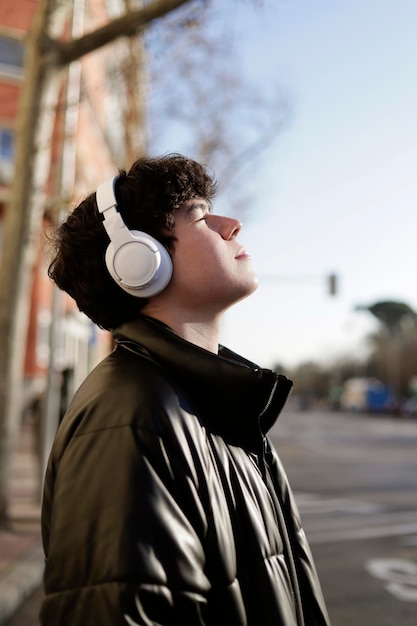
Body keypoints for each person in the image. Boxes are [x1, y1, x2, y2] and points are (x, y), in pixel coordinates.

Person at [40, 154, 330, 626]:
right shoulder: (130, 421)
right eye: (198, 215)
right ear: (137, 260)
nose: (232, 225)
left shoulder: (222, 405)